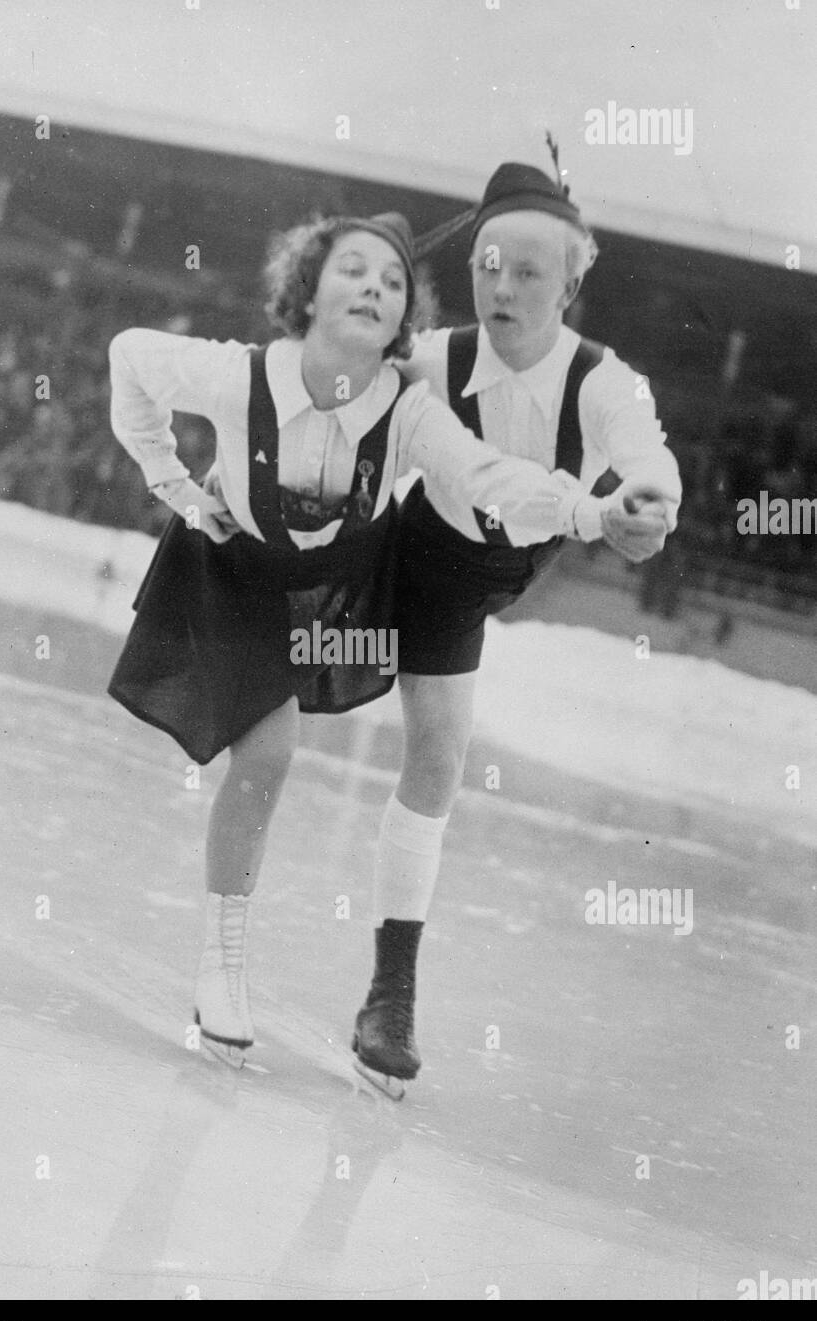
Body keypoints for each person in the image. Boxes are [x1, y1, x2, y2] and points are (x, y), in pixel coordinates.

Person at [107, 211, 602, 1074]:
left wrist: (585, 509)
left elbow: (480, 475)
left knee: (279, 753)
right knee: (267, 754)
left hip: (329, 586)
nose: (374, 286)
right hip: (233, 571)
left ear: (404, 317)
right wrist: (174, 485)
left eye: (392, 281)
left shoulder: (407, 409)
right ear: (305, 292)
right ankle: (221, 963)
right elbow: (128, 356)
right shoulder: (233, 375)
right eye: (353, 271)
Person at [349, 163, 683, 1095]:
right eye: (488, 263)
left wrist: (651, 507)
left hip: (513, 569)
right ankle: (391, 999)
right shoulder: (434, 359)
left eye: (529, 273)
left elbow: (648, 459)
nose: (501, 284)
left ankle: (385, 993)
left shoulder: (604, 381)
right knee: (431, 755)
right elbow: (333, 366)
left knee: (437, 755)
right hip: (422, 566)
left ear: (572, 286)